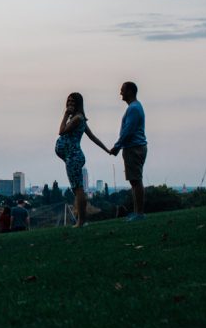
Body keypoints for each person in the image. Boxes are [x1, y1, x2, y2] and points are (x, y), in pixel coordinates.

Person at [55, 92, 112, 227]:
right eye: (68, 101)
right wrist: (107, 150)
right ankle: (81, 219)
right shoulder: (79, 118)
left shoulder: (77, 119)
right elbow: (93, 137)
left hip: (73, 156)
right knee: (77, 189)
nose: (69, 104)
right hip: (72, 156)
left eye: (73, 102)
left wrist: (65, 115)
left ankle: (81, 220)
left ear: (79, 104)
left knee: (78, 189)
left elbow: (61, 131)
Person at [109, 81, 149, 221]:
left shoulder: (133, 108)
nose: (120, 93)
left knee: (136, 180)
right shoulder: (135, 107)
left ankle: (139, 213)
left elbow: (128, 131)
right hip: (133, 148)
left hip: (134, 148)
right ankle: (137, 212)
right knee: (134, 181)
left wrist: (117, 147)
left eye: (122, 90)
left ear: (130, 91)